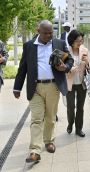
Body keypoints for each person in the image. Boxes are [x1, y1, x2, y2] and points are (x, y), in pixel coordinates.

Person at [13, 20, 74, 163]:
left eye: (51, 32)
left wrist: (65, 67)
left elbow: (69, 60)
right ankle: (34, 150)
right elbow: (23, 68)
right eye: (46, 33)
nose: (49, 35)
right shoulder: (29, 46)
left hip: (53, 86)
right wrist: (17, 87)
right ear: (38, 31)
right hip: (35, 88)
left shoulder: (58, 43)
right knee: (36, 119)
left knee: (50, 117)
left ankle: (49, 141)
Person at [65, 30, 90, 137]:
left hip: (81, 83)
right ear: (72, 41)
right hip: (70, 82)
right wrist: (71, 69)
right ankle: (70, 123)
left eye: (81, 40)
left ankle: (79, 129)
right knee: (71, 106)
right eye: (78, 41)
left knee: (80, 107)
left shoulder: (84, 50)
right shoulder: (66, 51)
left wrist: (87, 61)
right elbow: (63, 67)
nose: (80, 43)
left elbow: (88, 67)